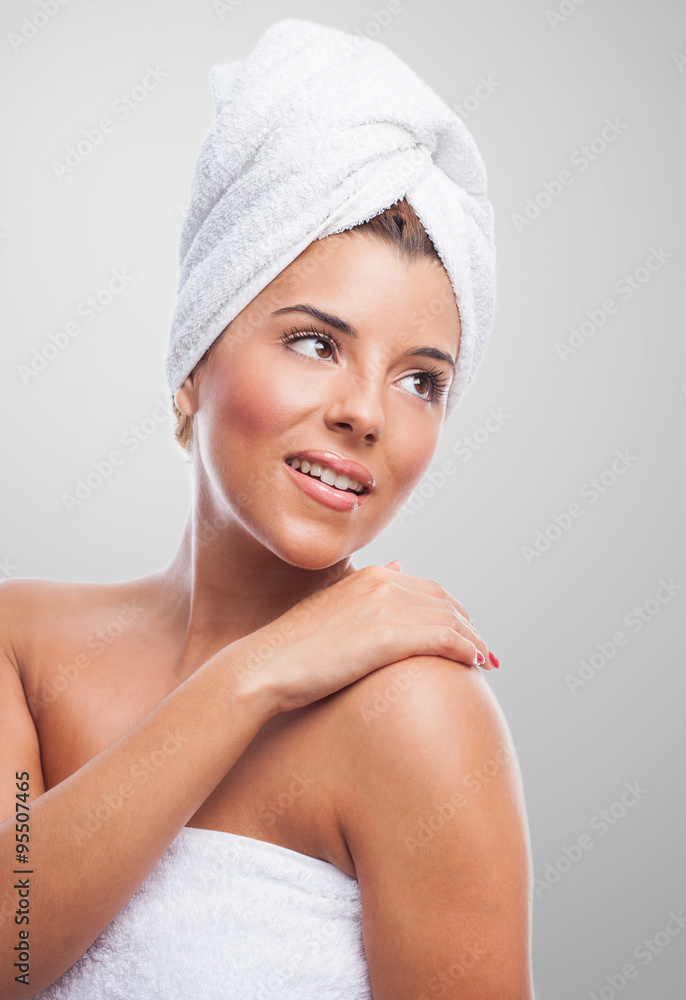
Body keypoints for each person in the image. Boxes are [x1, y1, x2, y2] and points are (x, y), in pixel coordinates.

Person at [0, 19, 534, 1000]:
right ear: (197, 357)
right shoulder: (23, 649)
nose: (365, 413)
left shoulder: (417, 717)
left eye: (421, 380)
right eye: (316, 343)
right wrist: (256, 676)